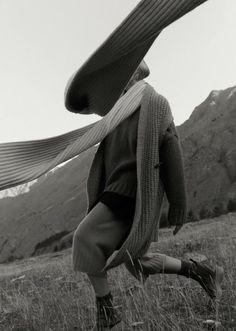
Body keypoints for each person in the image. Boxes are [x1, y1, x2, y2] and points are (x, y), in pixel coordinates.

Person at [71, 61, 224, 330]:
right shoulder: (117, 110)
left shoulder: (155, 104)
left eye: (120, 74)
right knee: (136, 260)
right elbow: (87, 104)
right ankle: (202, 272)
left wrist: (178, 204)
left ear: (134, 73)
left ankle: (107, 316)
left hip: (131, 194)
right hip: (115, 191)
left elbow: (171, 147)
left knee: (84, 237)